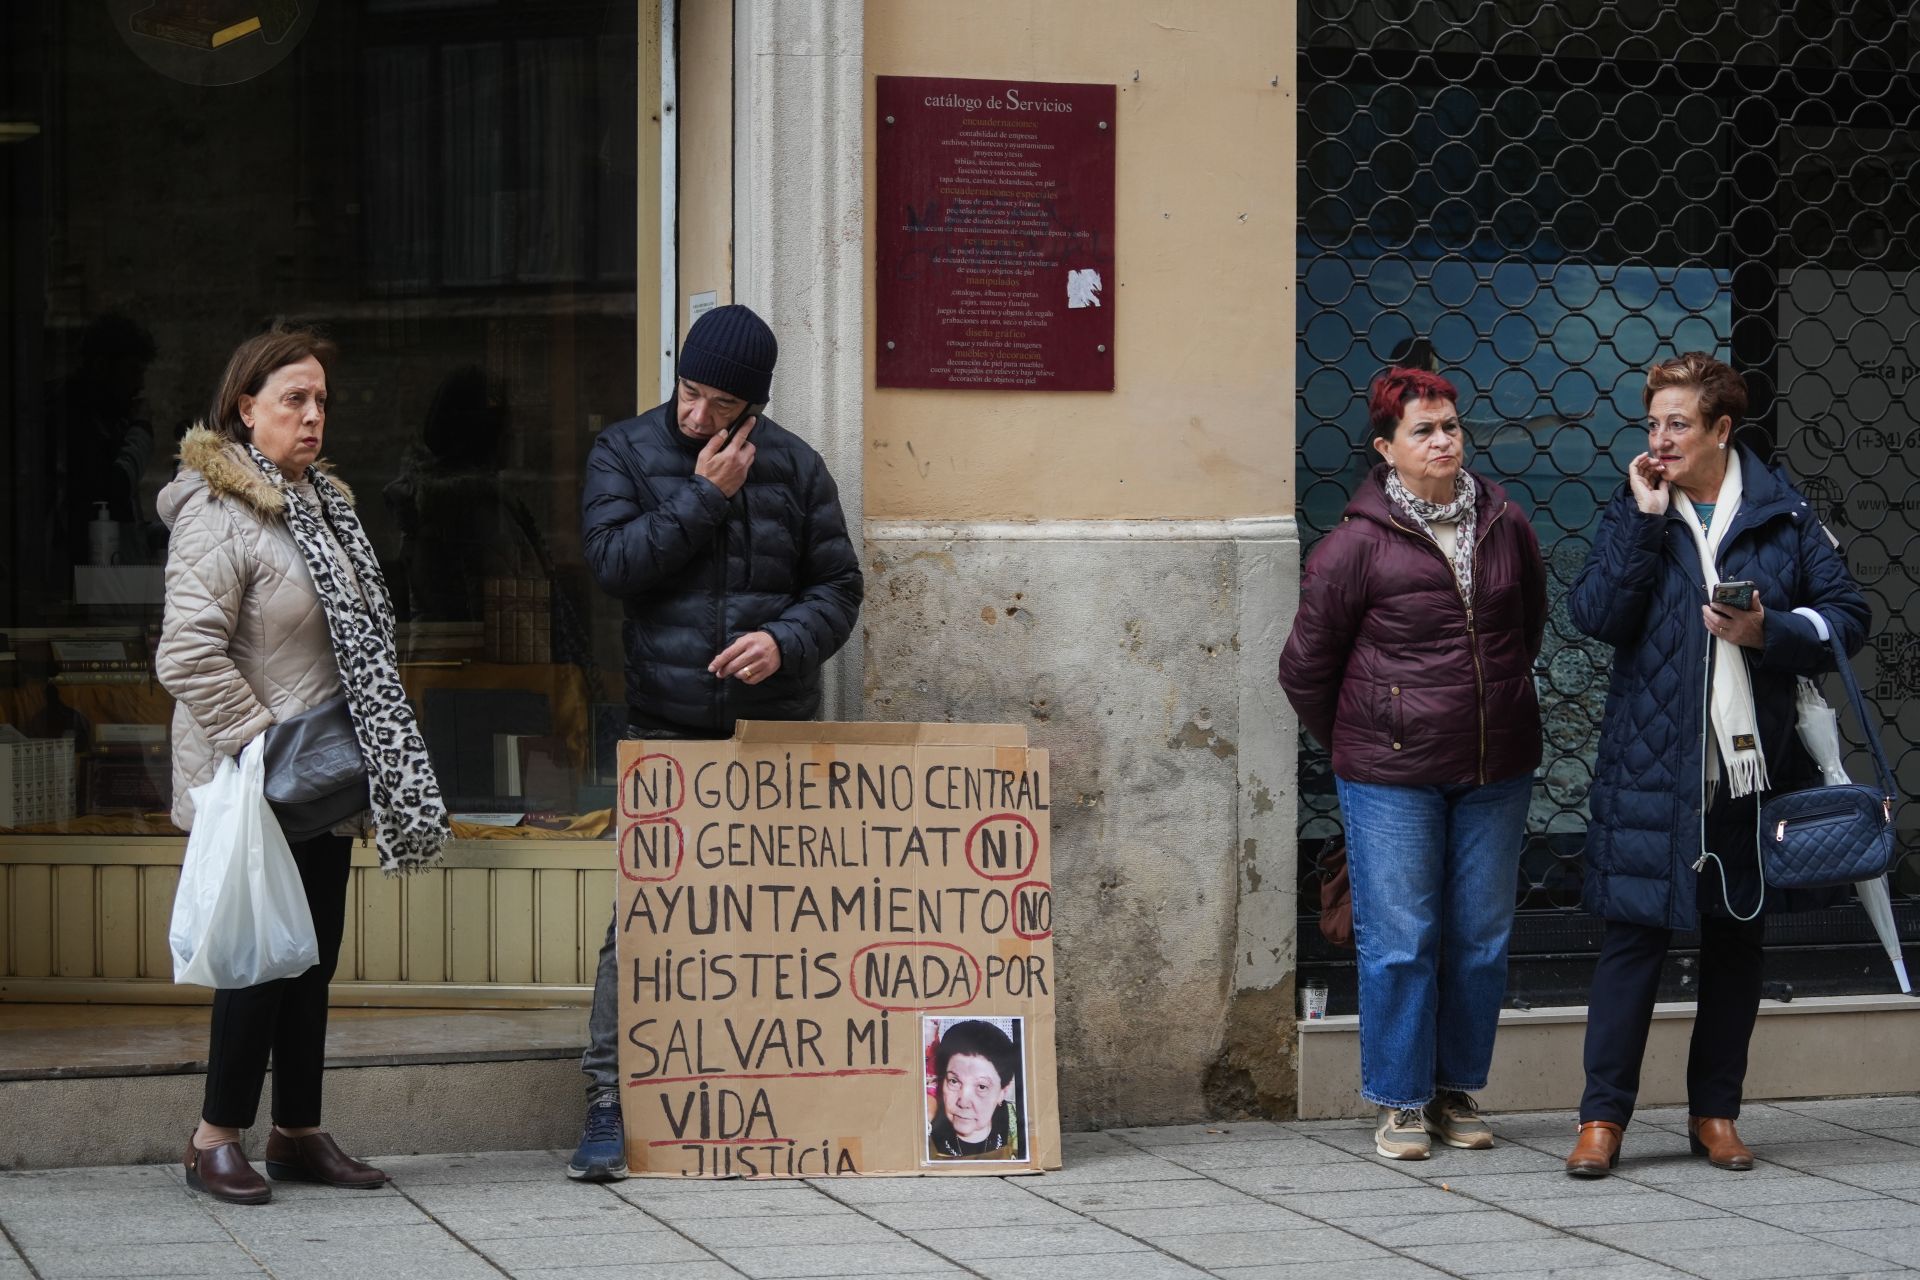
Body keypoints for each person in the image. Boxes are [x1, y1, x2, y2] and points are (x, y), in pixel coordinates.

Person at [156, 325, 450, 1204]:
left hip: (319, 773)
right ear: (246, 410)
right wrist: (262, 745)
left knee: (312, 955)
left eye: (321, 399)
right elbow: (187, 654)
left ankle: (297, 1130)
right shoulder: (219, 512)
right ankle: (213, 1138)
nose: (313, 414)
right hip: (260, 776)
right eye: (294, 399)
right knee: (259, 960)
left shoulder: (321, 505)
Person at [569, 304, 863, 1179]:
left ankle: (770, 1103)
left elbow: (840, 586)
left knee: (774, 926)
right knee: (644, 930)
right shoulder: (625, 450)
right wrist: (705, 496)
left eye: (719, 402)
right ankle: (605, 1103)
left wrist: (788, 641)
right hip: (666, 730)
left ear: (754, 406)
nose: (696, 415)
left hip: (774, 735)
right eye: (688, 392)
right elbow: (615, 564)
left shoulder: (800, 468)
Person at [1563, 353, 1868, 1178]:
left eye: (1678, 424)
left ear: (1722, 429)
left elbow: (1848, 617)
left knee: (1737, 946)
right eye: (1652, 422)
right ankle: (1602, 1122)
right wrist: (1641, 518)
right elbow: (1595, 614)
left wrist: (1768, 631)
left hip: (1749, 771)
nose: (1659, 440)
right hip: (1651, 766)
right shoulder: (1638, 508)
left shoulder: (1785, 516)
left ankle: (1716, 1114)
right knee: (1631, 944)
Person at [1278, 367, 1547, 1160]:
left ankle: (1455, 1088)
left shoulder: (1506, 524)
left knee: (1481, 938)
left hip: (1496, 768)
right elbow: (1304, 669)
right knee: (1400, 938)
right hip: (1390, 775)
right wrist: (1368, 736)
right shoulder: (1352, 547)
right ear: (1386, 450)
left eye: (1451, 427)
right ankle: (1400, 1099)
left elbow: (1526, 628)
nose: (1443, 441)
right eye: (1423, 430)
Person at [926, 1020, 1024, 1162]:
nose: (964, 1102)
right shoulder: (927, 1123)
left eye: (981, 1087)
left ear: (1002, 1091)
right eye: (954, 1081)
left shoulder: (1018, 1123)